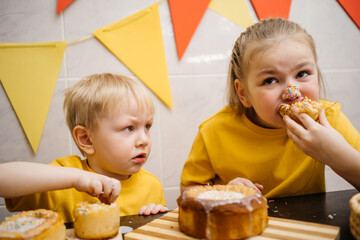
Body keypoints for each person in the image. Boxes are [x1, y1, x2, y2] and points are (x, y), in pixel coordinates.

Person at [180, 18, 360, 197]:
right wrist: (224, 193)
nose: (292, 93)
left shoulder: (327, 119)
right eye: (270, 80)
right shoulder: (213, 132)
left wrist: (336, 154)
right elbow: (188, 192)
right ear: (243, 93)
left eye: (302, 74)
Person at [0, 73, 168, 223]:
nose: (144, 140)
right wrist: (75, 178)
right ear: (86, 139)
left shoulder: (152, 186)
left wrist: (155, 220)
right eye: (129, 128)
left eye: (147, 126)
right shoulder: (66, 175)